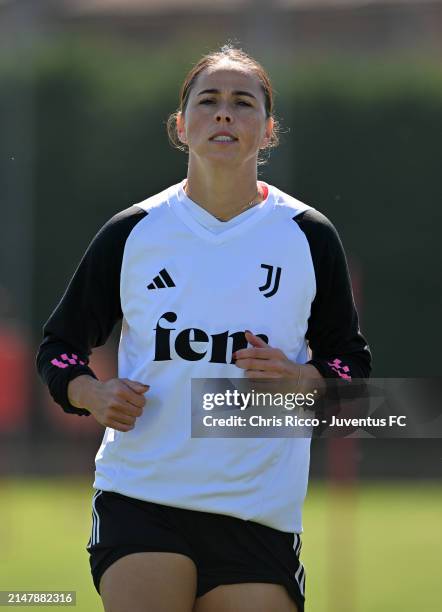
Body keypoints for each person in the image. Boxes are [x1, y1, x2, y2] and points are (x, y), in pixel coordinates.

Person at [36, 44, 371, 612]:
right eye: (208, 101)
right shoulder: (133, 232)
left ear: (268, 130)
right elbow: (60, 347)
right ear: (181, 125)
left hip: (258, 511)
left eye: (243, 103)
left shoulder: (309, 235)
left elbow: (351, 367)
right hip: (141, 498)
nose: (224, 114)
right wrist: (92, 393)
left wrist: (302, 379)